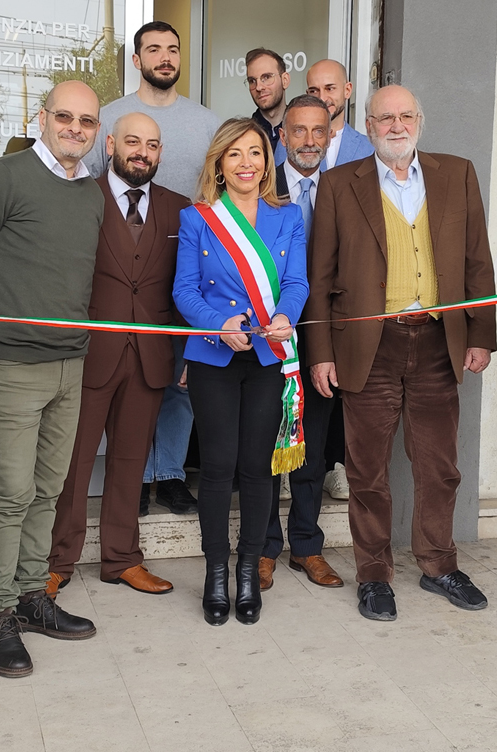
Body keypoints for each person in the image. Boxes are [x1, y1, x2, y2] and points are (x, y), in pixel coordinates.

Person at [304, 84, 497, 623]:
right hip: (368, 345)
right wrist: (321, 351)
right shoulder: (341, 183)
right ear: (367, 125)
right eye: (384, 117)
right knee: (367, 471)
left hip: (439, 341)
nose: (395, 125)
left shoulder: (456, 174)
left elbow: (478, 261)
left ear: (420, 120)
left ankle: (438, 565)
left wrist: (480, 333)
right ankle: (374, 575)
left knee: (439, 466)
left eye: (405, 115)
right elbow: (320, 277)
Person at [0, 80, 103, 679]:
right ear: (42, 117)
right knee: (10, 491)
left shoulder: (90, 191)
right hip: (9, 363)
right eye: (65, 116)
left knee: (49, 487)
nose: (75, 129)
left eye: (87, 121)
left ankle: (33, 595)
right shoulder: (2, 178)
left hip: (70, 361)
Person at [48, 112, 190, 597]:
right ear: (110, 143)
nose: (142, 152)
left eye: (152, 145)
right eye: (133, 141)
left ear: (160, 153)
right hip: (88, 354)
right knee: (74, 463)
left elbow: (182, 289)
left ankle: (122, 559)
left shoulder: (180, 209)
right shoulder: (80, 197)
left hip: (151, 357)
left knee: (131, 462)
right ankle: (57, 560)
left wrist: (185, 353)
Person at [174, 118, 309, 626]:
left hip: (268, 357)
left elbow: (297, 281)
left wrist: (283, 318)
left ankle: (248, 568)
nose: (247, 162)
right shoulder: (198, 219)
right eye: (235, 154)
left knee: (256, 468)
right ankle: (215, 571)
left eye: (255, 152)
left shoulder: (288, 215)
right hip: (215, 356)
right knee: (217, 468)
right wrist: (219, 323)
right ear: (220, 164)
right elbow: (184, 292)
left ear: (266, 162)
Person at [88, 22, 220, 516]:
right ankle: (133, 476)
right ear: (137, 58)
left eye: (173, 49)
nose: (165, 57)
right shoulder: (109, 116)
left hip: (182, 255)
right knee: (125, 375)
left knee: (175, 373)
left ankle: (168, 474)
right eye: (153, 50)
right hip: (125, 258)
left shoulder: (206, 121)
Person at [261, 95, 344, 591]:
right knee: (267, 447)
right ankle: (266, 546)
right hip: (270, 336)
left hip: (324, 337)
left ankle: (307, 547)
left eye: (319, 130)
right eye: (299, 131)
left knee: (311, 448)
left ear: (330, 134)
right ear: (283, 135)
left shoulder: (346, 185)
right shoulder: (259, 183)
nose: (309, 140)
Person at [305, 58, 375, 502]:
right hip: (298, 289)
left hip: (352, 288)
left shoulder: (372, 150)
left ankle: (339, 466)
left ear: (347, 90)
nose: (322, 97)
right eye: (314, 89)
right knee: (310, 385)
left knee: (345, 384)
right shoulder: (285, 147)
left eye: (329, 88)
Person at [245, 47, 289, 167]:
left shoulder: (303, 131)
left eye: (267, 77)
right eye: (252, 80)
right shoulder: (242, 134)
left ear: (285, 80)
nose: (258, 87)